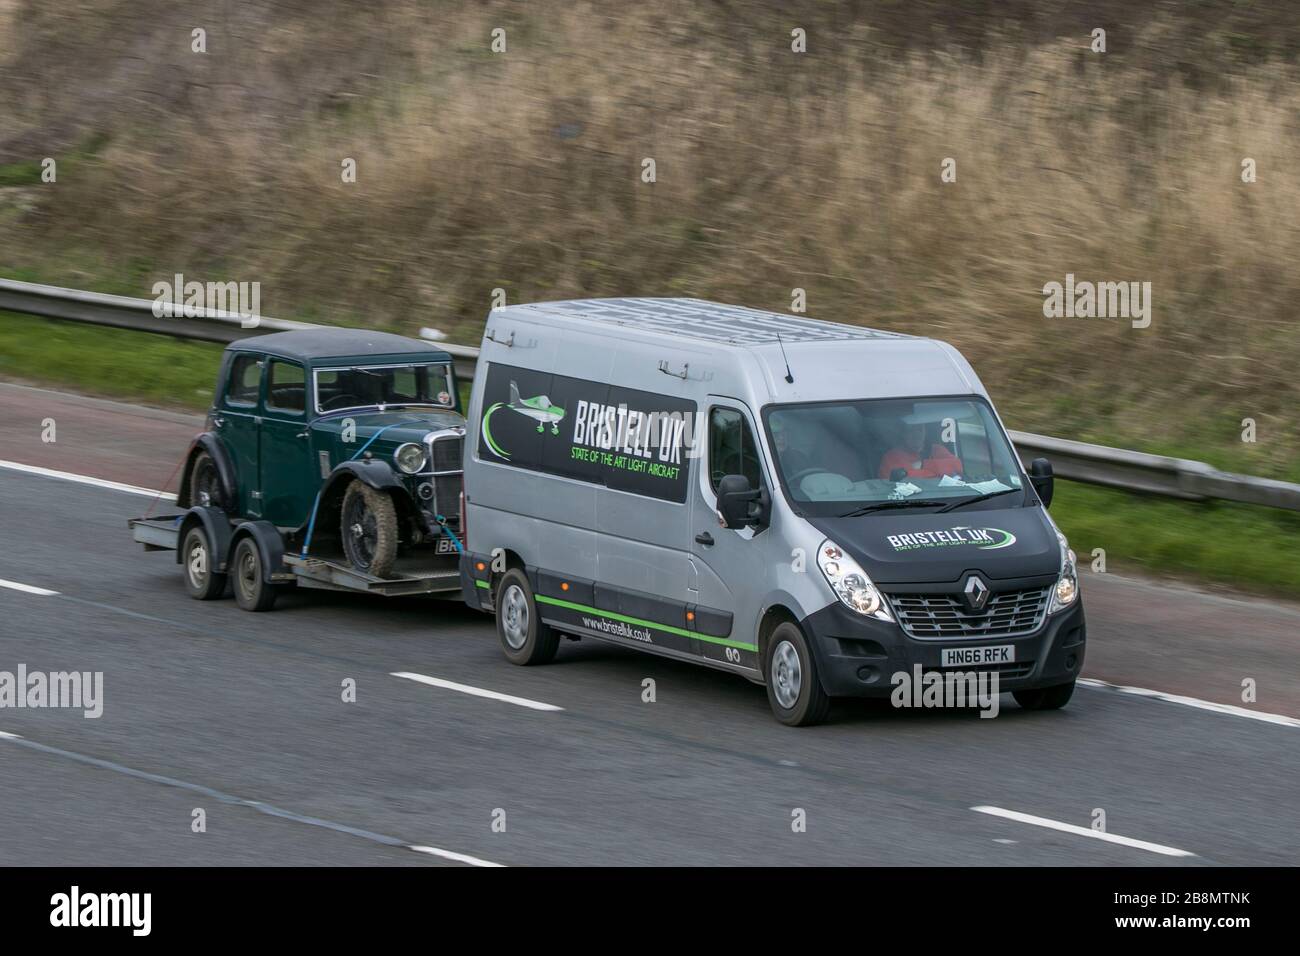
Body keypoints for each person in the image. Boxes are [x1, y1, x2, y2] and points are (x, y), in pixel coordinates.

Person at [878, 420, 963, 480]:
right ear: (903, 433)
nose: (916, 434)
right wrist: (940, 472)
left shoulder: (937, 449)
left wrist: (923, 465)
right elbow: (909, 480)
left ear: (925, 431)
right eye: (911, 430)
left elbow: (958, 466)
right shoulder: (892, 457)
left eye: (920, 429)